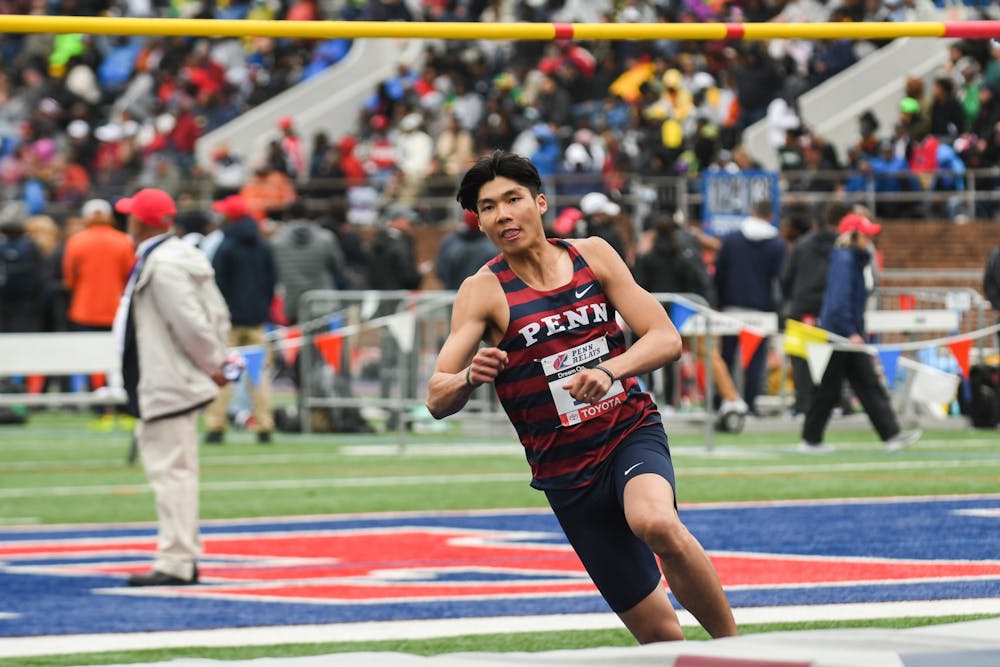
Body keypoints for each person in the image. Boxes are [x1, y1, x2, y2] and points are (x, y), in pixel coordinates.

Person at [425, 151, 737, 644]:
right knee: (661, 639)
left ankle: (736, 652)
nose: (503, 214)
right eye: (488, 207)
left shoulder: (592, 254)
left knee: (655, 521)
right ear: (479, 221)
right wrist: (468, 376)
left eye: (513, 199)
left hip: (627, 431)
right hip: (565, 472)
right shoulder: (481, 291)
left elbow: (664, 338)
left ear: (540, 203)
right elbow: (436, 397)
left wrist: (610, 371)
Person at [112, 188, 231, 586]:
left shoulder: (162, 264)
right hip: (171, 378)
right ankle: (181, 554)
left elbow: (191, 324)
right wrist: (214, 362)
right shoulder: (175, 257)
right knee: (175, 471)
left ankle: (176, 558)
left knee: (171, 474)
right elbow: (208, 318)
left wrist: (213, 363)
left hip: (168, 379)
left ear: (140, 221)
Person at [798, 213, 922, 454]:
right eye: (866, 235)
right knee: (835, 388)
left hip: (846, 333)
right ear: (853, 236)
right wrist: (850, 332)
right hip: (841, 335)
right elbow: (838, 302)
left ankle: (890, 434)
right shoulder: (846, 261)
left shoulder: (852, 260)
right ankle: (811, 439)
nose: (870, 240)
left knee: (863, 385)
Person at [203, 194, 277, 444]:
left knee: (225, 373)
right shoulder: (263, 245)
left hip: (229, 323)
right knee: (259, 375)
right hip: (256, 320)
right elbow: (271, 282)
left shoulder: (225, 246)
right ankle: (265, 424)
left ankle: (216, 425)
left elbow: (216, 285)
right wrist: (261, 309)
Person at [713, 200, 786, 415]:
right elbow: (780, 279)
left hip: (730, 306)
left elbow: (719, 274)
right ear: (771, 216)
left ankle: (722, 401)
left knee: (726, 356)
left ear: (752, 212)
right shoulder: (776, 244)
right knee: (755, 361)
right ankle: (750, 402)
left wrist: (718, 302)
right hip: (761, 308)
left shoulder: (731, 240)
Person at [780, 201, 851, 416]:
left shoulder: (802, 244)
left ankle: (803, 406)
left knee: (801, 360)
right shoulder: (842, 247)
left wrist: (791, 300)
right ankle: (837, 404)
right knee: (834, 357)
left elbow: (786, 277)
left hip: (802, 306)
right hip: (830, 308)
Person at [63, 199, 135, 332]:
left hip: (83, 310)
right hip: (115, 309)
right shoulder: (124, 241)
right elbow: (130, 277)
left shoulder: (75, 241)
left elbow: (70, 280)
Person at [434, 209, 498, 291]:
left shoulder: (450, 242)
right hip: (485, 295)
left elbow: (441, 271)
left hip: (454, 295)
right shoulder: (494, 244)